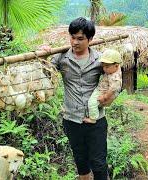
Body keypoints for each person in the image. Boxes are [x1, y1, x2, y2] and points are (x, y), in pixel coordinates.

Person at [42, 17, 112, 180]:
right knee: (81, 163)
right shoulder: (61, 58)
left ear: (90, 39)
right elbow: (45, 73)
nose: (75, 42)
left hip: (96, 121)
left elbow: (115, 80)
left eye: (80, 38)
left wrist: (106, 98)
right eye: (72, 37)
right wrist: (44, 56)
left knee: (99, 164)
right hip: (72, 120)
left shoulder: (100, 60)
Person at [83, 49, 122, 123]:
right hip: (103, 89)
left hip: (103, 92)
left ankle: (93, 118)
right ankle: (98, 114)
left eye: (107, 67)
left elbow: (113, 89)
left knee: (92, 103)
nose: (104, 69)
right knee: (99, 105)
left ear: (116, 66)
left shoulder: (115, 77)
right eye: (103, 66)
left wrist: (104, 97)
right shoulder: (114, 69)